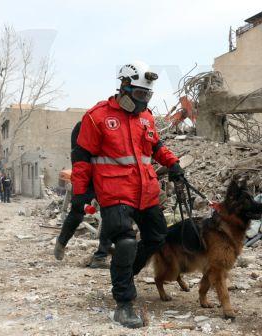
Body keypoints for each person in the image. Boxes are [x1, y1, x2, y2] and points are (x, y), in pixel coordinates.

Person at [71, 61, 184, 328]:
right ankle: (124, 304)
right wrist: (80, 192)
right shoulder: (96, 117)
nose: (143, 101)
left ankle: (124, 273)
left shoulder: (145, 118)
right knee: (125, 242)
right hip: (114, 191)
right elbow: (82, 156)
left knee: (157, 237)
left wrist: (174, 164)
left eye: (147, 96)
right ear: (123, 88)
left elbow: (156, 145)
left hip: (145, 190)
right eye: (139, 95)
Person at [54, 121, 112, 269]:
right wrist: (80, 192)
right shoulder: (81, 129)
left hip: (104, 177)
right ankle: (61, 242)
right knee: (77, 211)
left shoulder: (109, 129)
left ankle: (101, 255)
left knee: (109, 213)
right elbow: (79, 167)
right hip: (85, 178)